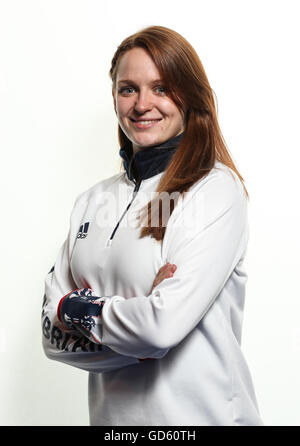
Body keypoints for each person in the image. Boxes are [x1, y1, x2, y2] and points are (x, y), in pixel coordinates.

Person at [42, 25, 264, 426]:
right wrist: (138, 331)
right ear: (114, 98)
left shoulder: (214, 191)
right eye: (128, 89)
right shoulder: (90, 202)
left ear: (190, 97)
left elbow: (161, 329)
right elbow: (51, 338)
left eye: (161, 88)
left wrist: (78, 311)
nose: (143, 103)